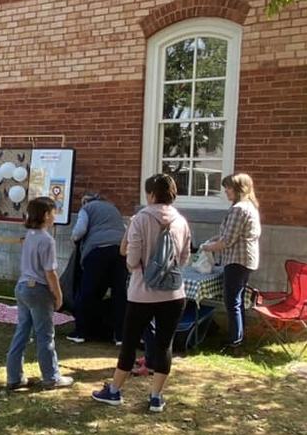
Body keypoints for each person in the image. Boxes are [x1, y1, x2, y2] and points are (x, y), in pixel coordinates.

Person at [92, 174, 191, 413]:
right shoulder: (181, 221)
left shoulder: (141, 219)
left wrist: (132, 261)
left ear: (151, 194)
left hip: (142, 294)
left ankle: (114, 391)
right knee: (164, 345)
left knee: (129, 343)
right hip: (174, 293)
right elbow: (185, 259)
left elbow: (131, 259)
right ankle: (156, 396)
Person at [5, 197, 74, 390]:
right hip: (38, 290)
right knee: (45, 335)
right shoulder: (46, 240)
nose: (55, 216)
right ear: (45, 215)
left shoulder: (29, 236)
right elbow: (50, 272)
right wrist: (59, 295)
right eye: (53, 212)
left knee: (22, 332)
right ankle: (51, 377)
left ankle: (14, 377)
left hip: (22, 288)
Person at [200, 173, 261, 356]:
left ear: (239, 189)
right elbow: (227, 234)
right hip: (245, 260)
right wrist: (212, 240)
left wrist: (207, 247)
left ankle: (235, 343)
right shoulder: (249, 207)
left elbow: (227, 241)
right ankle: (238, 338)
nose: (225, 191)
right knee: (237, 301)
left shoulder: (239, 209)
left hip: (237, 260)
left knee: (231, 301)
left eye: (228, 188)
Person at [66, 192, 128, 345]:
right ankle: (120, 335)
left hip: (97, 251)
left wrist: (73, 239)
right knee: (119, 293)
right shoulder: (113, 209)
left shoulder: (87, 209)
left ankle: (80, 332)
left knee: (86, 291)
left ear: (85, 201)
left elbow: (79, 230)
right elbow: (124, 228)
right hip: (120, 251)